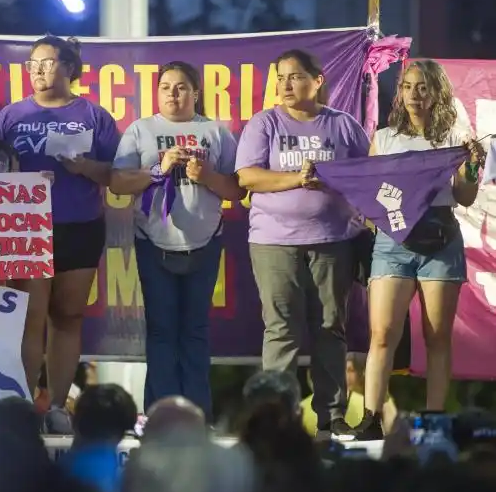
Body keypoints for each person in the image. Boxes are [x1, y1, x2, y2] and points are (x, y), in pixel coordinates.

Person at [234, 49, 370, 439]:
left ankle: (331, 415)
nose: (285, 85)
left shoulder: (343, 126)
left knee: (331, 326)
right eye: (280, 78)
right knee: (281, 329)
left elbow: (366, 178)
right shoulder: (265, 123)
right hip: (274, 241)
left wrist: (331, 182)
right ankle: (274, 416)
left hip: (333, 241)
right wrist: (296, 179)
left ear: (318, 80)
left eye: (294, 77)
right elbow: (247, 177)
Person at [0, 35, 120, 433]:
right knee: (31, 318)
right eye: (33, 64)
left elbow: (118, 173)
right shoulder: (11, 116)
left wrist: (87, 169)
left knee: (68, 316)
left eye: (47, 63)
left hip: (81, 226)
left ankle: (59, 406)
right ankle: (25, 407)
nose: (39, 71)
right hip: (26, 227)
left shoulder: (94, 115)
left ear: (69, 67)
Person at [355, 60, 485, 440]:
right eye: (408, 86)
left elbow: (464, 197)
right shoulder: (385, 137)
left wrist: (472, 167)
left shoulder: (455, 137)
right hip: (393, 242)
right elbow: (370, 191)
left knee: (437, 336)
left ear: (437, 93)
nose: (414, 94)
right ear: (400, 93)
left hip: (440, 239)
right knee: (381, 334)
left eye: (423, 87)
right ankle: (370, 417)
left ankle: (435, 420)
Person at [111, 61, 243, 418]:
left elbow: (237, 188)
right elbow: (118, 184)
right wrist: (159, 169)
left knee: (196, 332)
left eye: (181, 86)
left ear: (196, 93)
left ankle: (198, 416)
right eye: (166, 86)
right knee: (162, 331)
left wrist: (208, 176)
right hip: (153, 243)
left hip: (205, 242)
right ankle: (160, 415)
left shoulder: (216, 132)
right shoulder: (141, 130)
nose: (173, 93)